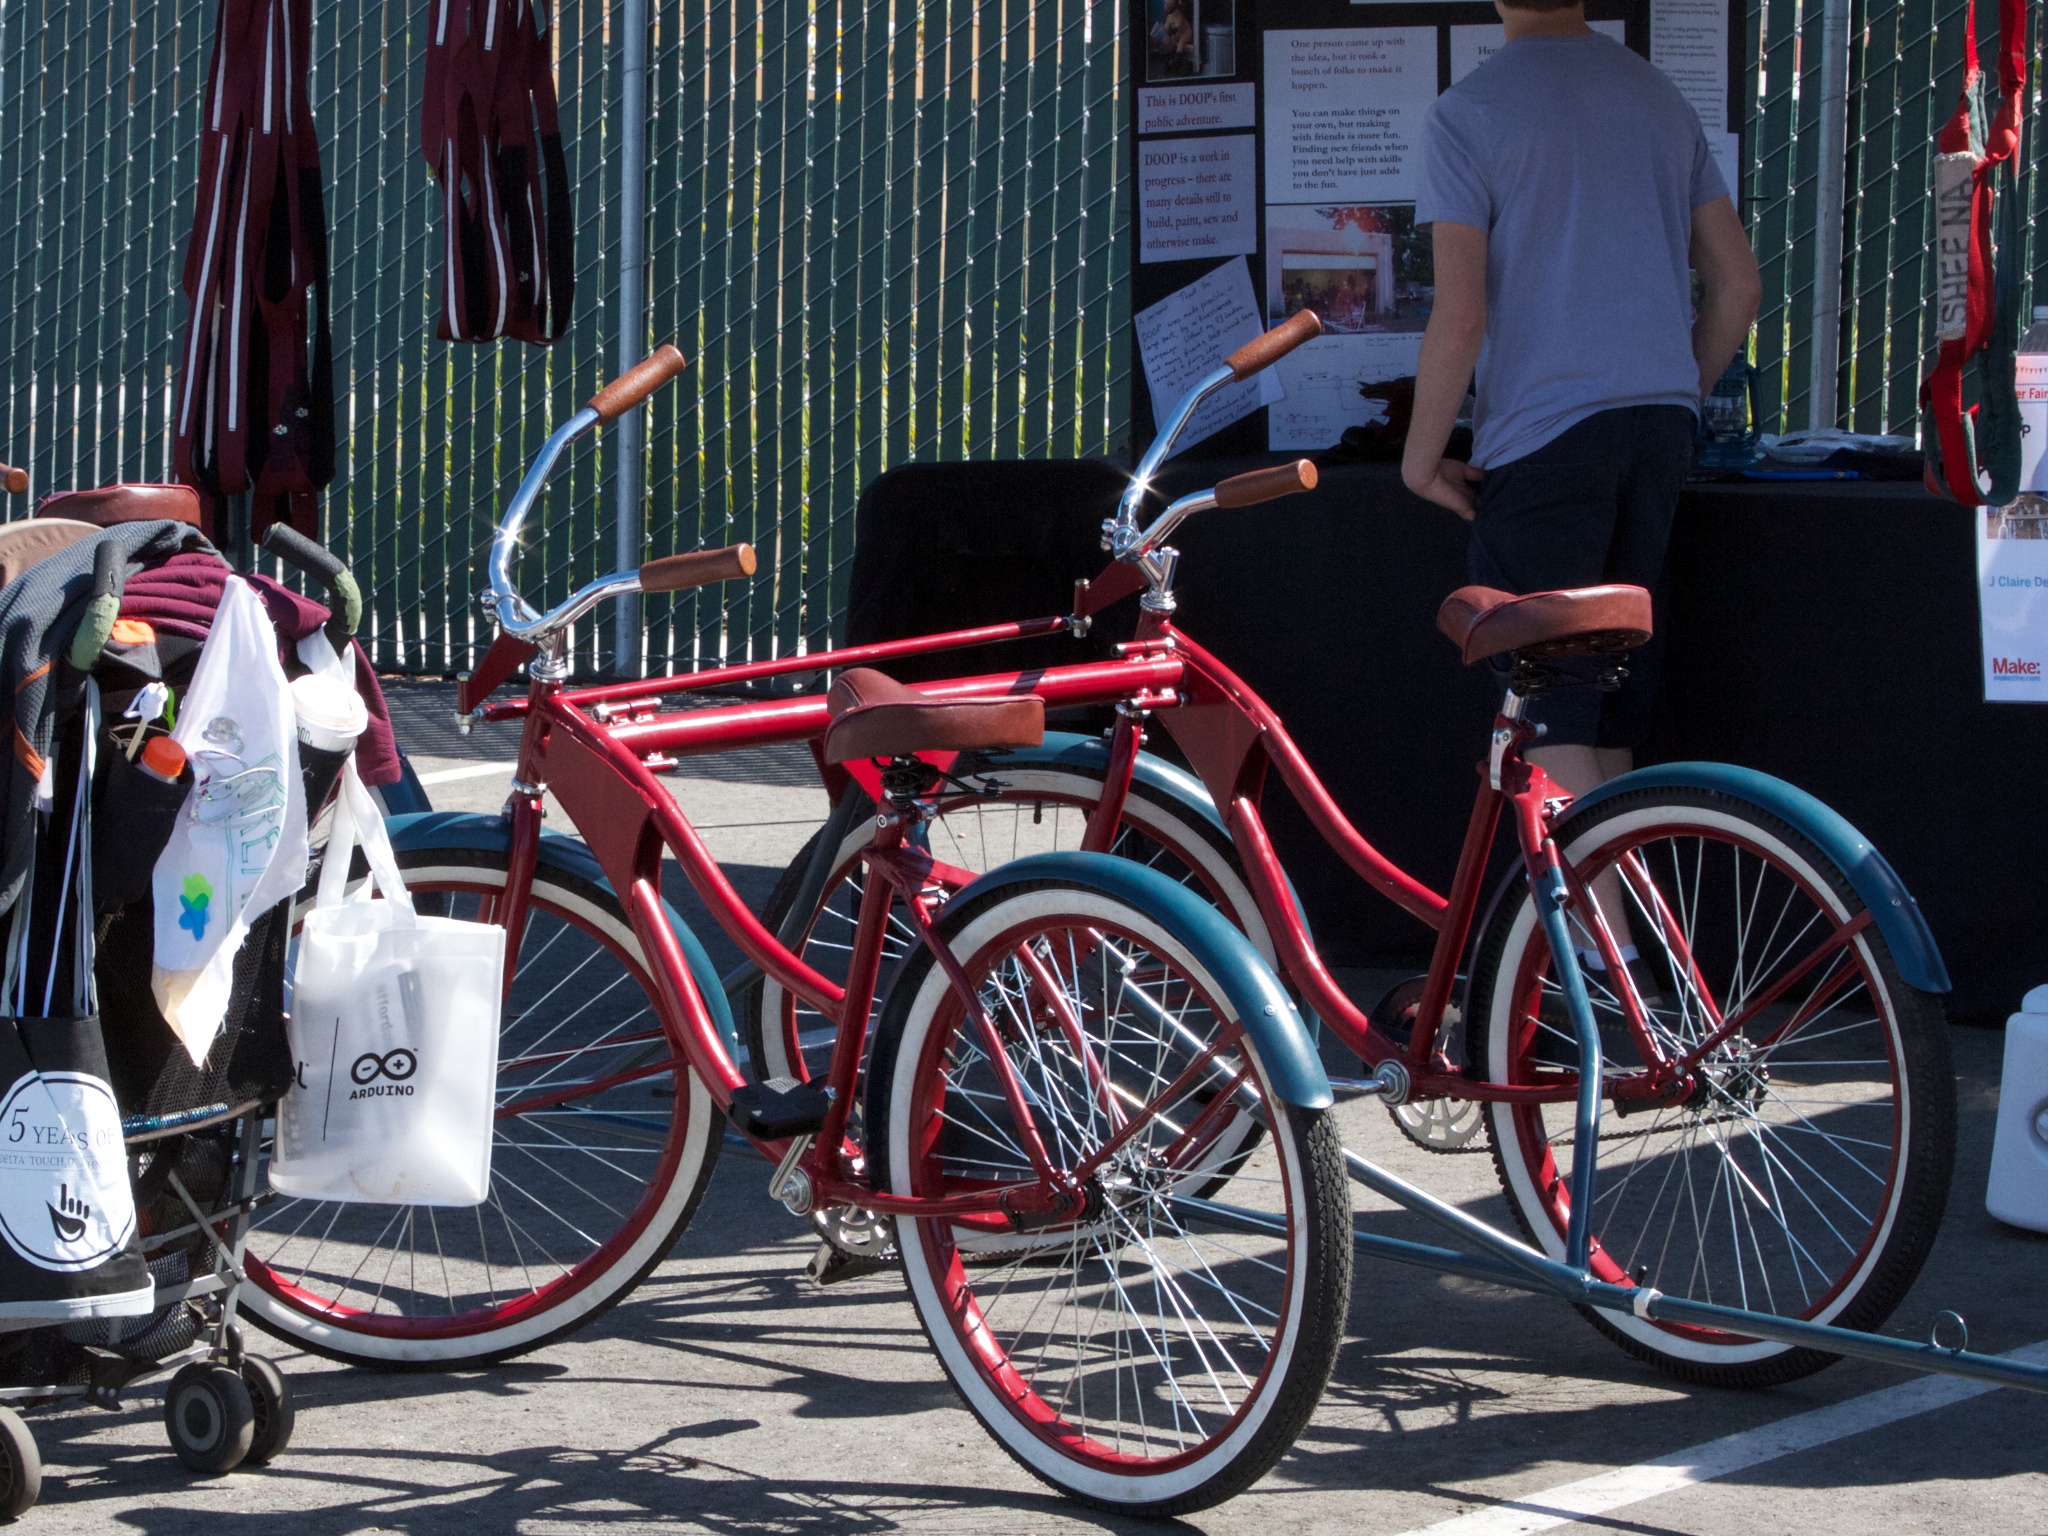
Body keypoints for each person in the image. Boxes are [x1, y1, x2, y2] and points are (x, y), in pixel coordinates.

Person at [1401, 0, 1761, 812]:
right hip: (1662, 427)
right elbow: (1739, 285)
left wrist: (1421, 460)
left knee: (1550, 709)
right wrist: (1677, 389)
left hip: (1547, 434)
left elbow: (1459, 317)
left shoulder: (1470, 113)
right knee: (1609, 707)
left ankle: (1612, 945)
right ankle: (1637, 928)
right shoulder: (1658, 97)